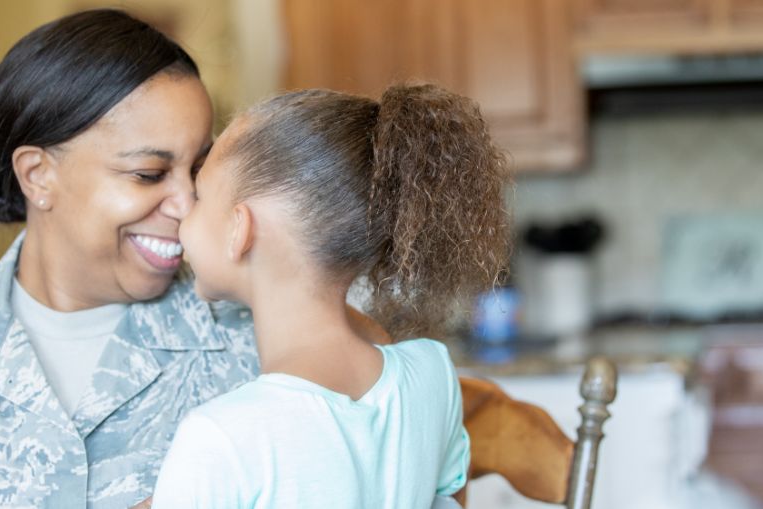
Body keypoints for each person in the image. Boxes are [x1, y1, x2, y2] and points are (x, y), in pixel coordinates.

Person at [0, 10, 263, 509]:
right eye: (148, 174)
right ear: (37, 175)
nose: (187, 205)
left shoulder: (258, 345)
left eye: (198, 170)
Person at [151, 84, 511, 508]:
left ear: (239, 230)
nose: (179, 216)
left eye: (199, 197)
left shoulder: (220, 438)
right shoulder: (431, 372)